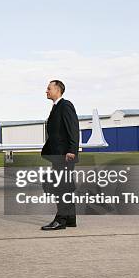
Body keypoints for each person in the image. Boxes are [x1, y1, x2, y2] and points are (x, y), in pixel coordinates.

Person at [40, 80, 79, 230]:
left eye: (49, 88)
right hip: (59, 155)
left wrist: (72, 151)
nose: (46, 91)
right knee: (65, 187)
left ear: (57, 89)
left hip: (64, 155)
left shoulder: (65, 105)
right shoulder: (56, 107)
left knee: (61, 187)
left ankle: (60, 220)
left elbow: (73, 129)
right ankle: (70, 219)